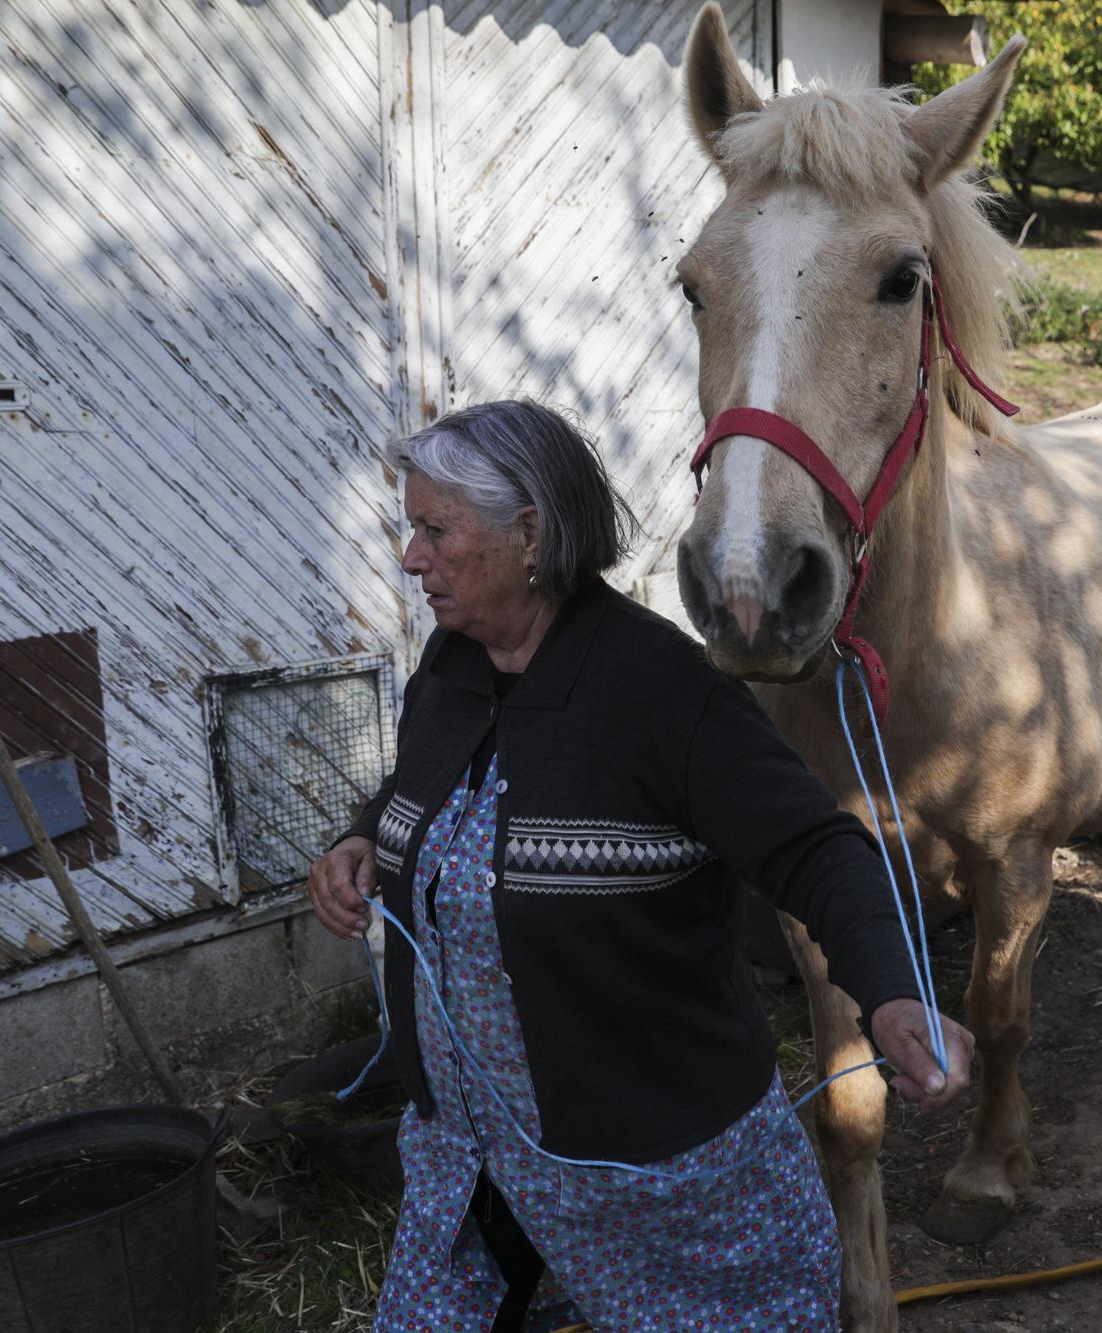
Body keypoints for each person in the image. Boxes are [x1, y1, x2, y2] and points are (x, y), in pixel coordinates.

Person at [306, 399, 973, 1333]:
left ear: (529, 533)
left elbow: (818, 849)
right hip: (469, 1157)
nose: (411, 556)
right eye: (412, 527)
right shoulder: (454, 662)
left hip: (657, 1178)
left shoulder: (665, 695)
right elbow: (427, 781)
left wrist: (893, 992)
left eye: (434, 529)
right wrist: (365, 838)